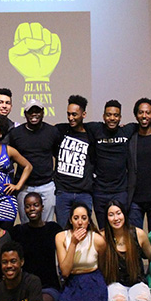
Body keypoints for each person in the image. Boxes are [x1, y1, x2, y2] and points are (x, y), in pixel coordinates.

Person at [5, 99, 60, 224]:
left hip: (47, 186)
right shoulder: (15, 133)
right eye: (30, 112)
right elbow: (9, 160)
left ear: (43, 112)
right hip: (24, 187)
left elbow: (59, 156)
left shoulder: (52, 132)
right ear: (25, 114)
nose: (34, 114)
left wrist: (55, 179)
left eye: (37, 111)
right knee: (26, 226)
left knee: (47, 225)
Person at [86, 100, 137, 229]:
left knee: (121, 230)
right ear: (103, 116)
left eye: (115, 115)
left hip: (120, 191)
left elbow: (145, 124)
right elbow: (74, 125)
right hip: (100, 192)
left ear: (120, 117)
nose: (112, 118)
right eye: (108, 115)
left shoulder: (128, 130)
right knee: (104, 231)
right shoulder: (95, 128)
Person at [12, 192, 62, 301]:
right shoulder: (18, 232)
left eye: (35, 205)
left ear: (42, 207)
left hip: (49, 288)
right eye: (28, 206)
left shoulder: (53, 229)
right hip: (25, 288)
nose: (32, 209)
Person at [54, 95, 95, 227]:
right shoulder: (60, 130)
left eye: (74, 114)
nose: (71, 118)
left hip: (84, 193)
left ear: (83, 114)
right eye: (68, 114)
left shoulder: (91, 134)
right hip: (63, 192)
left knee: (84, 233)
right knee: (63, 232)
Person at [127, 98, 151, 231]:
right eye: (141, 112)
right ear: (136, 115)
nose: (144, 116)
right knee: (135, 241)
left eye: (148, 113)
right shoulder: (130, 138)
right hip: (135, 199)